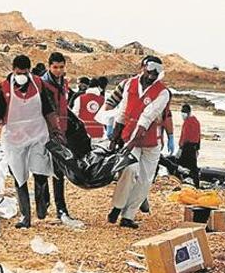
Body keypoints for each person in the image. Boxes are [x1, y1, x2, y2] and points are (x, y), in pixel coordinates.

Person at [0, 54, 63, 228]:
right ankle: (25, 216)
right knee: (19, 176)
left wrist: (55, 130)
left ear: (29, 71)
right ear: (13, 70)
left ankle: (42, 204)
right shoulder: (4, 88)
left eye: (25, 72)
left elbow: (48, 109)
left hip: (37, 134)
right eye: (19, 72)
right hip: (14, 137)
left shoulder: (38, 83)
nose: (22, 76)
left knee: (40, 169)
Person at [107, 56, 170, 228]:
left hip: (150, 141)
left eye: (157, 71)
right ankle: (117, 206)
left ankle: (128, 215)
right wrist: (114, 136)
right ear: (142, 67)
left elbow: (147, 117)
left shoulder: (163, 93)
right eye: (150, 69)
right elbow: (123, 110)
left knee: (144, 179)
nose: (153, 74)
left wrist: (131, 143)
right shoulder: (130, 84)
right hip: (129, 135)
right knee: (129, 169)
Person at [37, 52, 75, 221]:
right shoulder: (43, 84)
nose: (58, 70)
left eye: (61, 67)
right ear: (49, 66)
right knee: (43, 168)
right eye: (55, 67)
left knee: (59, 170)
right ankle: (44, 201)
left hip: (61, 131)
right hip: (46, 131)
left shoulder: (63, 83)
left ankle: (61, 208)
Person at [73, 76, 107, 141]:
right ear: (98, 88)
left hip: (83, 133)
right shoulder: (103, 100)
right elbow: (106, 117)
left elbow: (74, 115)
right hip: (99, 133)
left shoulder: (79, 98)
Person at [177, 104, 202, 188]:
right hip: (193, 147)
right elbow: (199, 136)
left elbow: (184, 136)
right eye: (182, 112)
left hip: (187, 147)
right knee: (193, 167)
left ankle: (178, 183)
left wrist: (180, 148)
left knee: (179, 165)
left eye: (184, 112)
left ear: (188, 112)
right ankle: (196, 184)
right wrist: (198, 148)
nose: (183, 114)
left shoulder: (187, 122)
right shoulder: (196, 121)